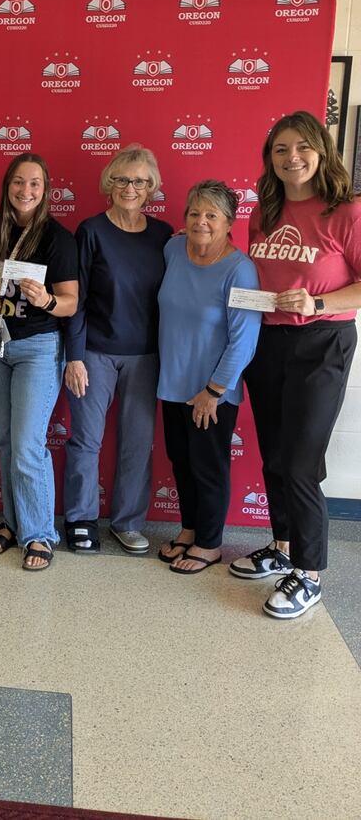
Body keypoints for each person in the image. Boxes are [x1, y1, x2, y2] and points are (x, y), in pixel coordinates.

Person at [229, 111, 361, 619]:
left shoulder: (345, 212)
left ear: (321, 152)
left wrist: (318, 304)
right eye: (281, 150)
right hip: (269, 341)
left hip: (323, 341)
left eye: (302, 147)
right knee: (277, 456)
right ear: (270, 160)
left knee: (303, 463)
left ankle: (309, 573)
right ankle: (281, 547)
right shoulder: (265, 210)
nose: (292, 158)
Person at [64, 146, 172, 555]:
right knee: (86, 440)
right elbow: (77, 299)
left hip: (146, 355)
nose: (131, 187)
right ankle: (80, 519)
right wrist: (74, 356)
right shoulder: (90, 230)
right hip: (94, 352)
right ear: (110, 184)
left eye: (140, 181)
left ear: (152, 188)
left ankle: (127, 522)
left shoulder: (164, 235)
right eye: (123, 179)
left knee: (136, 443)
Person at [157, 181, 261, 574]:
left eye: (211, 215)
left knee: (208, 465)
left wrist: (214, 390)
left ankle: (210, 543)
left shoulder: (240, 269)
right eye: (194, 213)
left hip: (211, 391)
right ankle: (189, 529)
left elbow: (245, 339)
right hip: (173, 382)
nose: (201, 221)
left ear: (229, 223)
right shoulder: (172, 250)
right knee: (182, 461)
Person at [0, 154, 78, 572]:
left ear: (46, 190)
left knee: (26, 447)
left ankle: (39, 533)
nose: (25, 191)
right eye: (18, 183)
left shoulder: (57, 238)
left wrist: (47, 301)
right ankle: (14, 520)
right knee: (5, 443)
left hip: (38, 346)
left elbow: (71, 303)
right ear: (7, 187)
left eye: (34, 184)